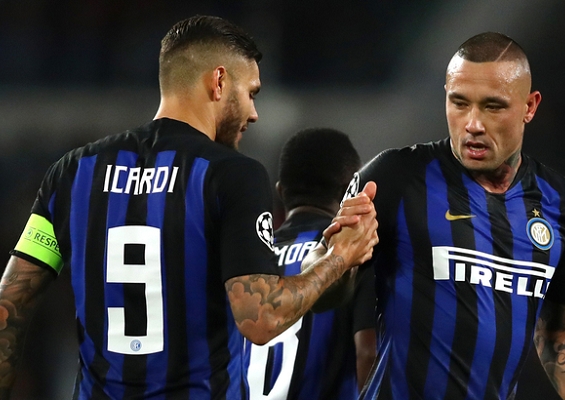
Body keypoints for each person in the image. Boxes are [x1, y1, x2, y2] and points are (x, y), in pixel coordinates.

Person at [0, 15, 378, 399]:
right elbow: (261, 317)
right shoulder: (231, 175)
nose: (253, 113)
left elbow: (10, 300)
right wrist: (340, 257)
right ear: (219, 82)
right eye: (251, 93)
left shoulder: (73, 172)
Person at [341, 32, 565, 399]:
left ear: (530, 106)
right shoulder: (394, 178)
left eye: (493, 106)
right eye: (459, 102)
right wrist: (337, 259)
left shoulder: (563, 202)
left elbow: (562, 332)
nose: (473, 124)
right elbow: (323, 288)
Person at [245, 128, 377, 399]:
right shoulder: (355, 253)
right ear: (349, 191)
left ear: (281, 191)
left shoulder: (247, 261)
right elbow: (369, 353)